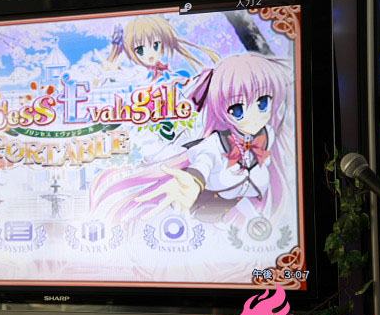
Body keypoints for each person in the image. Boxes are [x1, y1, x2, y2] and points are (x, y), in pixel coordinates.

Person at [89, 53, 294, 225]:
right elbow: (202, 164)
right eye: (237, 109)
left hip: (244, 216)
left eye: (263, 103)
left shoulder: (269, 134)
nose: (253, 116)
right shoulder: (215, 144)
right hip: (208, 218)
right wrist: (192, 182)